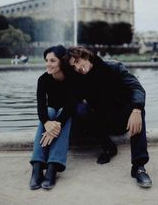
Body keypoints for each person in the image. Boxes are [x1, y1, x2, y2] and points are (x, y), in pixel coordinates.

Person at [63, 46, 152, 188]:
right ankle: (109, 148)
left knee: (138, 109)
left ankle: (138, 166)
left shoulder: (114, 67)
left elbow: (137, 88)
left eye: (78, 61)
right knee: (79, 109)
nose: (78, 67)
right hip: (101, 123)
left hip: (121, 118)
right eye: (73, 66)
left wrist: (136, 110)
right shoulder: (78, 79)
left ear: (87, 56)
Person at [29, 45, 76, 190]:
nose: (48, 64)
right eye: (46, 60)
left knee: (63, 112)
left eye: (53, 61)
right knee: (49, 111)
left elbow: (70, 107)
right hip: (51, 117)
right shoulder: (43, 79)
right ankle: (37, 167)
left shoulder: (73, 78)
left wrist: (55, 125)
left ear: (62, 61)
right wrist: (47, 122)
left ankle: (52, 167)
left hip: (69, 118)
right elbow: (41, 107)